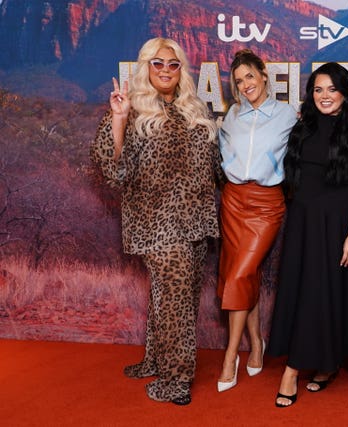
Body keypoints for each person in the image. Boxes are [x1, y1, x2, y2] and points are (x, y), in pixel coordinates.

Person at [91, 37, 220, 405]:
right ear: (146, 67)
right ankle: (175, 380)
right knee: (176, 299)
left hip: (195, 222)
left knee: (176, 297)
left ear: (181, 70)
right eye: (158, 63)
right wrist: (119, 119)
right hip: (156, 224)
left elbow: (215, 165)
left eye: (173, 64)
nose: (165, 70)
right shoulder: (131, 109)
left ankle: (155, 359)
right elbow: (114, 172)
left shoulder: (194, 109)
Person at [267, 62, 348, 407]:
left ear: (345, 93)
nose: (324, 96)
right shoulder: (303, 129)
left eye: (332, 89)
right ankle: (327, 365)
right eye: (318, 89)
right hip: (302, 224)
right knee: (306, 292)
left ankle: (291, 371)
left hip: (337, 226)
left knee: (322, 292)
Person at [216, 49, 297, 392]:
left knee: (240, 274)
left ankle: (230, 355)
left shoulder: (287, 114)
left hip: (266, 204)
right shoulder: (233, 115)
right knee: (242, 275)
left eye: (249, 76)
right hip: (233, 200)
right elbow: (221, 153)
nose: (245, 84)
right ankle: (257, 342)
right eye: (238, 81)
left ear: (264, 74)